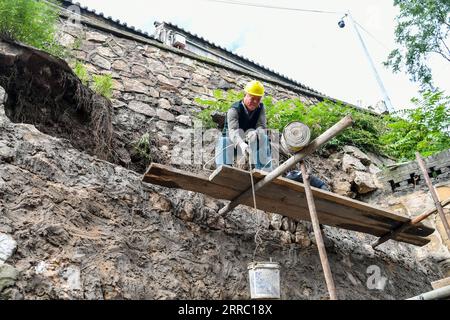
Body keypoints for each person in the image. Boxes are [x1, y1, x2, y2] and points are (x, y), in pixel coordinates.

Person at [215, 80, 272, 171]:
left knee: (264, 138)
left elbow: (261, 125)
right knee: (223, 141)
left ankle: (264, 171)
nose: (255, 101)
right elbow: (233, 131)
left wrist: (256, 132)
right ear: (245, 95)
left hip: (251, 141)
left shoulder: (261, 108)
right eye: (252, 98)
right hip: (233, 142)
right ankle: (224, 171)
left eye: (258, 99)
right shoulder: (234, 109)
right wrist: (241, 144)